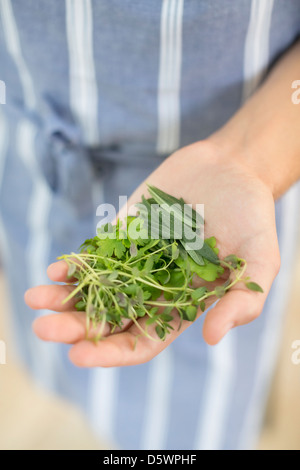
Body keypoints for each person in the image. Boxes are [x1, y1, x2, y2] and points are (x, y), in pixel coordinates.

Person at [1, 0, 300, 450]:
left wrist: (249, 161)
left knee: (184, 428)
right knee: (66, 352)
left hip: (220, 175)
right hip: (39, 150)